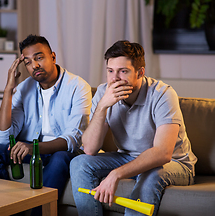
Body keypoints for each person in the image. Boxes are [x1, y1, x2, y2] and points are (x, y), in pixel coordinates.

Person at [70, 40, 197, 216]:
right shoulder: (103, 93)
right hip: (127, 156)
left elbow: (163, 153)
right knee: (79, 163)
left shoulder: (163, 94)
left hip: (174, 163)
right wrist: (102, 107)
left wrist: (116, 174)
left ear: (140, 72)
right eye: (110, 71)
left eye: (123, 71)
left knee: (150, 174)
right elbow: (90, 149)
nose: (114, 79)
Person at [0, 34, 92, 209]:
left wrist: (33, 147)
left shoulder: (77, 86)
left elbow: (73, 139)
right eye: (28, 62)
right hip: (31, 149)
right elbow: (3, 138)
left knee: (60, 158)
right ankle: (6, 209)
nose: (35, 65)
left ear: (53, 57)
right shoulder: (24, 87)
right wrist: (9, 90)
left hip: (60, 152)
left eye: (39, 57)